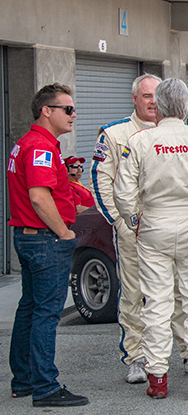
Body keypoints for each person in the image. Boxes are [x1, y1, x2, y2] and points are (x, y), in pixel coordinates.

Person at [114, 78, 188, 398]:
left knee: (156, 301)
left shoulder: (140, 140)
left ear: (159, 106)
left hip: (154, 222)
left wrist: (134, 218)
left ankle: (157, 379)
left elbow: (123, 192)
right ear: (186, 106)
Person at [92, 73, 188, 385]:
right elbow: (102, 181)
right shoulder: (116, 135)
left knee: (183, 294)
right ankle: (138, 357)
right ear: (134, 98)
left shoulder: (181, 135)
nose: (152, 102)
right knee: (135, 295)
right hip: (134, 231)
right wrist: (122, 221)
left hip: (175, 227)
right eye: (146, 96)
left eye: (157, 96)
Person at [7, 83, 89, 407]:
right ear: (47, 111)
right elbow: (39, 197)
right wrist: (64, 233)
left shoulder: (28, 144)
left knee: (29, 309)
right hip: (44, 239)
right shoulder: (40, 147)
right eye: (67, 109)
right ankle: (45, 387)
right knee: (45, 313)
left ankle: (25, 379)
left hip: (29, 237)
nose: (73, 115)